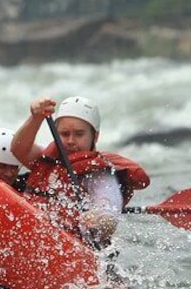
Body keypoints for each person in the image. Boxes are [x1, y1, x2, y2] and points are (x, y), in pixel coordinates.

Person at [10, 95, 150, 248]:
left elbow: (108, 211)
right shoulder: (48, 158)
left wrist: (98, 220)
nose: (70, 141)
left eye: (79, 134)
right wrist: (35, 118)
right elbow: (18, 149)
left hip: (70, 248)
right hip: (32, 237)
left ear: (95, 136)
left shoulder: (99, 174)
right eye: (64, 134)